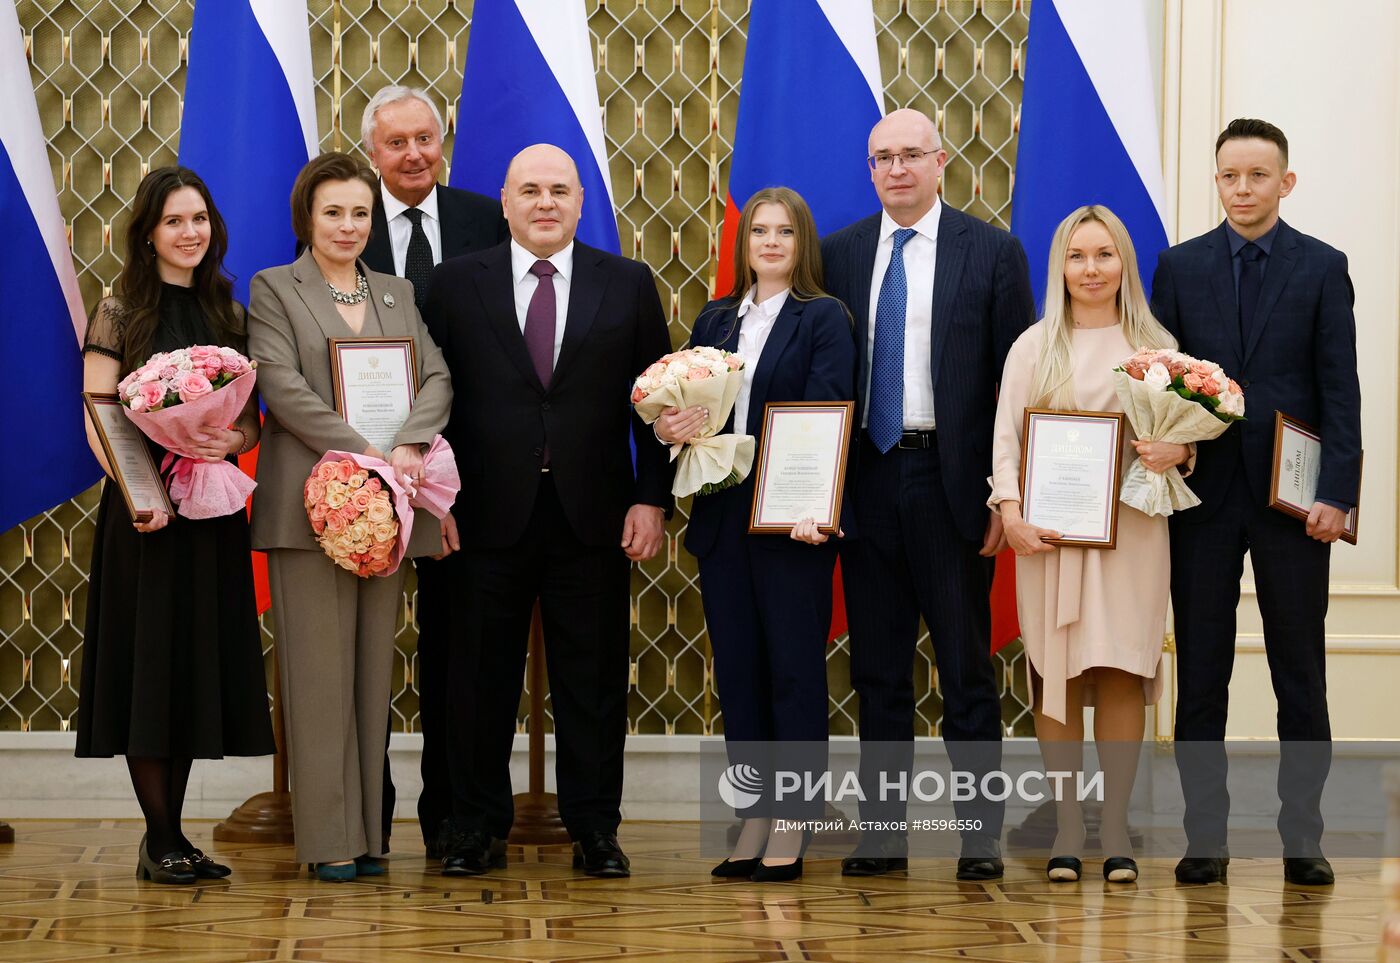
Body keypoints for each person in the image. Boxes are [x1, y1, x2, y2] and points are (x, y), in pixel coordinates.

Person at [422, 143, 673, 879]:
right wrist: (432, 501)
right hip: (479, 516)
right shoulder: (451, 283)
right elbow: (429, 403)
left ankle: (595, 829)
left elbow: (655, 403)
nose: (544, 202)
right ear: (503, 200)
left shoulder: (626, 284)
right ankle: (473, 828)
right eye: (528, 189)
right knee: (476, 682)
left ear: (580, 201)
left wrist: (650, 497)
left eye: (559, 189)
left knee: (591, 685)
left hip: (591, 517)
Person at [820, 107, 1036, 880]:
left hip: (954, 486)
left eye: (912, 154)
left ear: (941, 161)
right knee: (877, 670)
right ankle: (883, 833)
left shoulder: (995, 252)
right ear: (870, 168)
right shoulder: (838, 254)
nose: (898, 169)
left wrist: (1001, 495)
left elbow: (1019, 386)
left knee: (967, 669)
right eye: (883, 157)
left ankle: (979, 834)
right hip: (868, 482)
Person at [1151, 118, 1361, 887]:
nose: (1242, 188)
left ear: (1285, 182)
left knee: (1298, 672)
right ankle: (1204, 837)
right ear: (1217, 181)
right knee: (1201, 672)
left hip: (1294, 503)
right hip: (1202, 497)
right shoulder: (1178, 266)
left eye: (1258, 176)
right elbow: (1162, 378)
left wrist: (1337, 493)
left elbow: (1341, 390)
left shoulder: (1323, 267)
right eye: (1229, 176)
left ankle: (1303, 837)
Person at [247, 152, 452, 881]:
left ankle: (369, 836)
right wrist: (367, 448)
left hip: (388, 508)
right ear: (308, 216)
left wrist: (406, 444)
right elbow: (281, 385)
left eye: (360, 212)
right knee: (319, 675)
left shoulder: (396, 292)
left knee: (372, 675)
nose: (347, 225)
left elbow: (436, 376)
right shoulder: (274, 288)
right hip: (310, 508)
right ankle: (327, 838)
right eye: (333, 211)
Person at [76, 166, 274, 884]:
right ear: (149, 232)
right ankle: (159, 835)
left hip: (211, 510)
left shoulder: (227, 308)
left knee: (192, 663)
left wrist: (236, 441)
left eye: (200, 219)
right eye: (174, 221)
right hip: (147, 516)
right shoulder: (121, 305)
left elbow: (251, 417)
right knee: (148, 665)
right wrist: (141, 492)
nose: (190, 232)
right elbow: (98, 408)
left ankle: (175, 834)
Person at [656, 188, 855, 883]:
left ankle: (796, 820)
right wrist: (666, 426)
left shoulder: (824, 318)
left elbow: (827, 412)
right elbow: (679, 405)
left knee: (793, 672)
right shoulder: (715, 318)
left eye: (784, 232)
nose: (770, 242)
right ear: (743, 244)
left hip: (791, 523)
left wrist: (814, 500)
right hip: (722, 520)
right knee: (739, 673)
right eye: (759, 231)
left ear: (802, 243)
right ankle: (756, 814)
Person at [990, 206, 1189, 884]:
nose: (1092, 268)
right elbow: (1006, 441)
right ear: (1061, 267)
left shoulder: (1157, 347)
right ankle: (1069, 827)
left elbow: (1187, 434)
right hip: (1049, 538)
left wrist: (1181, 448)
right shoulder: (1033, 345)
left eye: (1105, 254)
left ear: (1124, 263)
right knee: (1059, 674)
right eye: (1078, 256)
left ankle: (1116, 827)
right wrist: (1010, 512)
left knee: (1121, 670)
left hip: (1131, 532)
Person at [358, 84, 508, 858]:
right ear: (372, 153)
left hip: (472, 476)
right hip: (366, 474)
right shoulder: (342, 227)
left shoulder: (489, 220)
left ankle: (457, 819)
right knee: (364, 651)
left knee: (462, 651)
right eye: (396, 142)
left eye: (426, 138)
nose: (414, 153)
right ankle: (363, 819)